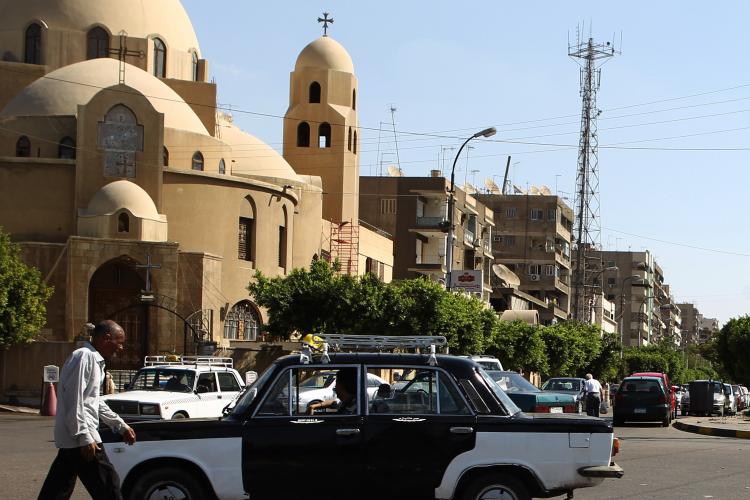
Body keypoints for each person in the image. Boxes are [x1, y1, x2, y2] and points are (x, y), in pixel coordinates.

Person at [38, 320, 137, 500]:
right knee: (109, 486)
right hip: (82, 439)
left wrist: (120, 425)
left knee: (57, 489)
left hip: (74, 439)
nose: (121, 348)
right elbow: (74, 399)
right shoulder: (85, 357)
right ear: (107, 338)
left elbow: (93, 401)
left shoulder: (94, 360)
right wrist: (84, 436)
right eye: (119, 342)